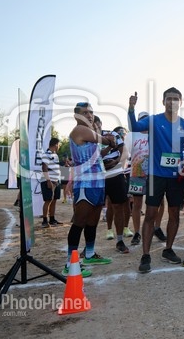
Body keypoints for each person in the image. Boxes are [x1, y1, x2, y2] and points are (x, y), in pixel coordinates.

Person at [128, 88, 184, 273]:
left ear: (181, 102)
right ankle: (145, 255)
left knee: (174, 215)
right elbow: (134, 127)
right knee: (150, 214)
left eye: (175, 99)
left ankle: (168, 249)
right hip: (155, 175)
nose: (172, 102)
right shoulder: (153, 120)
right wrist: (131, 108)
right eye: (169, 99)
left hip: (176, 178)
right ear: (163, 101)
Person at [64, 102, 114, 278]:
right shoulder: (80, 130)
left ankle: (90, 254)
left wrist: (109, 146)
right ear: (76, 116)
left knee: (92, 221)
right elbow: (103, 140)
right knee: (79, 221)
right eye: (85, 112)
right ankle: (69, 263)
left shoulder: (90, 134)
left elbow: (98, 155)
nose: (89, 115)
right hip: (85, 183)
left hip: (97, 182)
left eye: (91, 112)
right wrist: (109, 140)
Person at [95, 117, 130, 254]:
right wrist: (109, 147)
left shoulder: (113, 134)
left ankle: (120, 241)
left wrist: (116, 162)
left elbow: (125, 152)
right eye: (93, 126)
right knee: (94, 210)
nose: (96, 128)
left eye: (98, 125)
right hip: (98, 177)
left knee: (118, 207)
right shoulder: (88, 138)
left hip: (116, 174)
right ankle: (89, 246)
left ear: (101, 124)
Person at [127, 112, 150, 246]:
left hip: (153, 174)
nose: (144, 122)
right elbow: (126, 152)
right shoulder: (132, 135)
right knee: (137, 204)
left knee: (157, 203)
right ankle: (137, 232)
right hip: (136, 173)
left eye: (147, 119)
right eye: (142, 120)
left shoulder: (155, 134)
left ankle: (155, 228)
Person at [40, 137, 63, 228]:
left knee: (54, 200)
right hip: (49, 181)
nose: (59, 147)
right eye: (59, 145)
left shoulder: (55, 155)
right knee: (48, 200)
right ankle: (44, 221)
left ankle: (52, 219)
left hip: (56, 181)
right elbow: (44, 167)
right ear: (56, 144)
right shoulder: (46, 154)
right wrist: (48, 181)